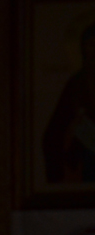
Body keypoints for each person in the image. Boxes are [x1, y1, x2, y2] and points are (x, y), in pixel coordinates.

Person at [43, 23, 95, 184]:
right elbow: (54, 131)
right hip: (83, 158)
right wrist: (73, 128)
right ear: (83, 49)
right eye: (91, 45)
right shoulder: (75, 84)